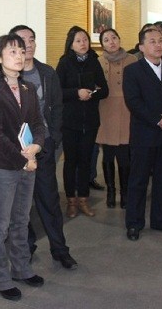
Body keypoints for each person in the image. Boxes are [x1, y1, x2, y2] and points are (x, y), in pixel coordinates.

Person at [0, 33, 47, 301]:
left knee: (22, 220)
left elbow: (38, 124)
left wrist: (37, 147)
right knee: (0, 226)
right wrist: (24, 159)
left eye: (21, 51)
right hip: (5, 167)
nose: (19, 56)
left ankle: (21, 269)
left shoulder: (28, 88)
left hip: (28, 162)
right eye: (12, 52)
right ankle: (0, 279)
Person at [9, 25, 77, 270]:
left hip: (43, 146)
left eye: (31, 39)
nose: (28, 44)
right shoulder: (6, 76)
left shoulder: (47, 73)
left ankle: (60, 249)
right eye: (22, 40)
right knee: (20, 203)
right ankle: (26, 247)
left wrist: (54, 138)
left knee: (48, 200)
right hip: (17, 151)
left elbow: (58, 107)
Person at [123, 27, 162, 241]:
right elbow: (134, 102)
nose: (158, 45)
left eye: (160, 41)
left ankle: (160, 220)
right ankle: (134, 223)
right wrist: (159, 120)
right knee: (138, 180)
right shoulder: (133, 71)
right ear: (141, 47)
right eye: (152, 41)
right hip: (144, 134)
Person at [56, 26, 109, 218]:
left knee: (86, 160)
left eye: (85, 40)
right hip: (70, 121)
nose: (83, 43)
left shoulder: (94, 61)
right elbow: (57, 92)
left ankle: (84, 199)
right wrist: (76, 93)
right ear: (71, 44)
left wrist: (91, 93)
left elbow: (105, 90)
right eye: (78, 41)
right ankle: (71, 201)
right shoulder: (64, 63)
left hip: (90, 120)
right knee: (71, 161)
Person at [95, 28, 137, 208]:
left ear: (119, 39)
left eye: (114, 38)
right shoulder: (98, 61)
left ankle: (125, 192)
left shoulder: (132, 59)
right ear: (102, 44)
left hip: (127, 109)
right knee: (107, 154)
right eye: (106, 39)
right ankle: (111, 191)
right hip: (105, 109)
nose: (111, 41)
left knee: (124, 155)